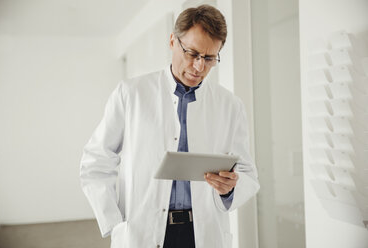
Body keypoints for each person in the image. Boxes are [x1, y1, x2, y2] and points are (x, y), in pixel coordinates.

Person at [80, 4, 259, 248]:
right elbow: (96, 160)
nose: (199, 67)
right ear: (173, 41)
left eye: (209, 58)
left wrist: (230, 189)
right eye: (192, 53)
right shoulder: (131, 94)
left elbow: (248, 173)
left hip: (203, 234)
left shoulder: (230, 106)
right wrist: (114, 220)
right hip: (142, 231)